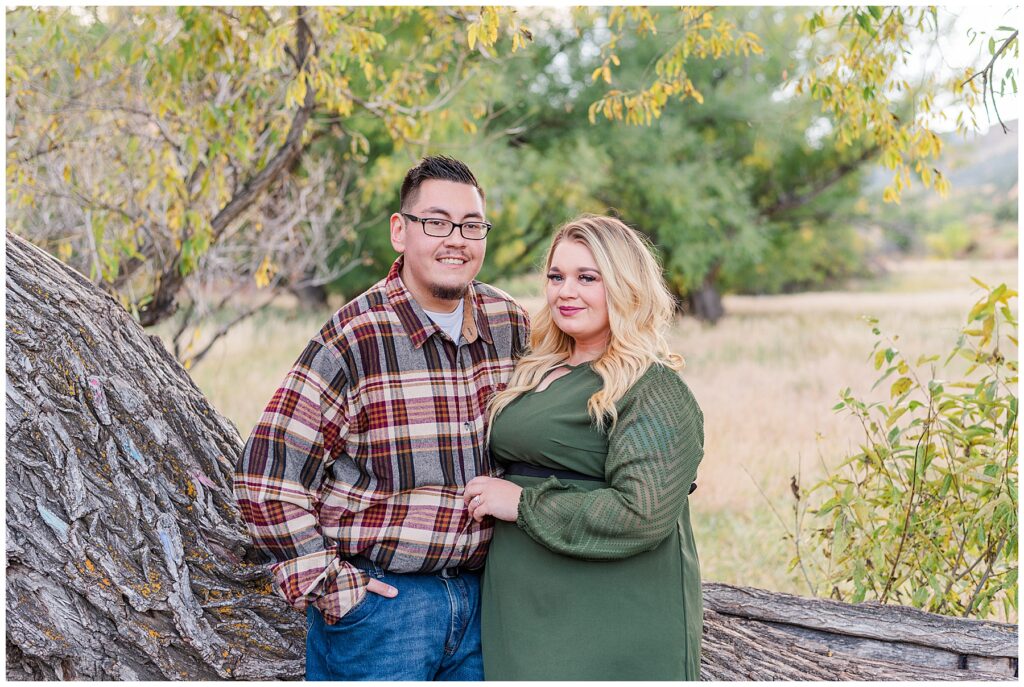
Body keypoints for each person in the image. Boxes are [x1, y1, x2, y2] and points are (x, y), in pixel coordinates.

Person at [233, 155, 530, 681]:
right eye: (436, 222)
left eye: (471, 225)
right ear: (400, 230)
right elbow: (268, 475)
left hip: (492, 605)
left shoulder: (510, 323)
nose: (455, 239)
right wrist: (332, 588)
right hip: (385, 611)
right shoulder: (353, 337)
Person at [463, 214, 705, 680]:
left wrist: (522, 503)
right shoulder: (536, 368)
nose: (565, 291)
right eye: (556, 277)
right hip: (524, 610)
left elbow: (643, 513)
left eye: (586, 278)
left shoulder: (652, 387)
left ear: (625, 286)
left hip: (609, 617)